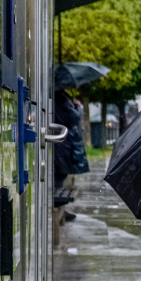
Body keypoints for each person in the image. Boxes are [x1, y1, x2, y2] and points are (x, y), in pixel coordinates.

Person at [52, 90, 89, 223]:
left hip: (63, 144)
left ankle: (61, 209)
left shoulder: (61, 97)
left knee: (60, 177)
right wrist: (78, 107)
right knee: (59, 176)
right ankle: (58, 207)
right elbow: (73, 117)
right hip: (63, 145)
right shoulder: (61, 98)